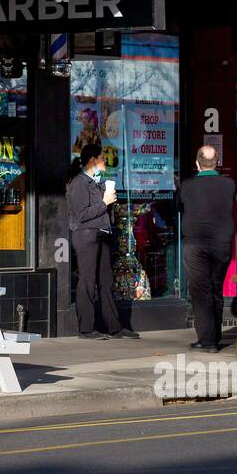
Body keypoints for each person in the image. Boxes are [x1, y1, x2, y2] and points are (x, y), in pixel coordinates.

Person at [67, 142, 139, 340]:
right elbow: (81, 214)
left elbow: (97, 210)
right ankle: (86, 328)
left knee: (106, 281)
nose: (105, 160)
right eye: (102, 157)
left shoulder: (96, 182)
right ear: (93, 160)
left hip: (102, 233)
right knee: (88, 281)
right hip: (86, 235)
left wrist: (108, 202)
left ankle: (114, 327)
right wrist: (104, 203)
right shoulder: (79, 183)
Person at [179, 145, 236, 353]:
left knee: (200, 291)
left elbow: (182, 204)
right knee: (215, 287)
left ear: (197, 163)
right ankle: (214, 336)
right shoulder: (229, 184)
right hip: (221, 244)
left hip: (195, 244)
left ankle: (207, 340)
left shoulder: (187, 185)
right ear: (217, 162)